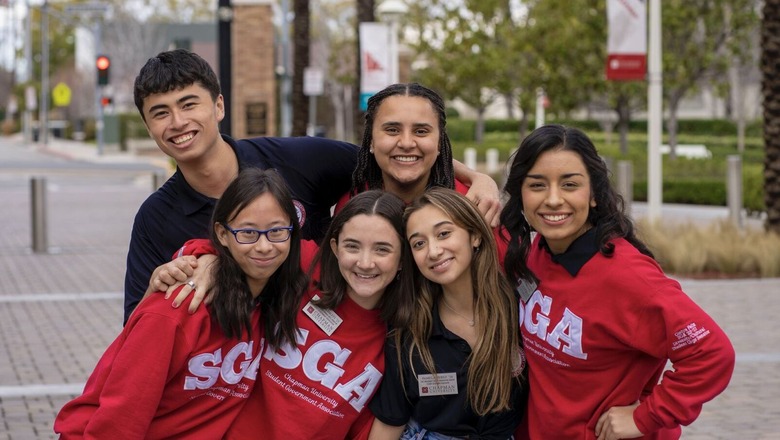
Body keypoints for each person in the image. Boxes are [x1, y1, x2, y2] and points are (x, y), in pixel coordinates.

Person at [127, 51, 499, 322]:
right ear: (147, 125)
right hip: (233, 366)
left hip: (333, 343)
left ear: (219, 106)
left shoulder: (299, 159)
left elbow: (394, 154)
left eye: (189, 104)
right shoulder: (155, 218)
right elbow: (136, 322)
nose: (177, 122)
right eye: (160, 113)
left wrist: (477, 178)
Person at [499, 124, 736, 440]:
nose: (553, 200)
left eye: (570, 184)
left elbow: (712, 353)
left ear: (594, 194)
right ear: (521, 194)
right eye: (537, 185)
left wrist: (645, 416)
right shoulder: (534, 253)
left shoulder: (628, 277)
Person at [54, 168, 308, 439]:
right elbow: (120, 418)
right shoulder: (178, 308)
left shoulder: (268, 300)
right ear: (222, 234)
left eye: (277, 231)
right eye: (247, 232)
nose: (264, 246)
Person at [224, 190, 416, 439]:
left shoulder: (401, 337)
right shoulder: (304, 263)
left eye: (382, 250)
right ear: (335, 247)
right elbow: (233, 249)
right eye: (352, 246)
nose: (365, 263)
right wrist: (198, 258)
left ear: (402, 258)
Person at [369, 187, 526, 439]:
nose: (433, 251)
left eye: (444, 233)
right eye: (419, 243)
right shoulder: (407, 329)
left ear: (474, 235)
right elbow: (390, 420)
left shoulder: (520, 309)